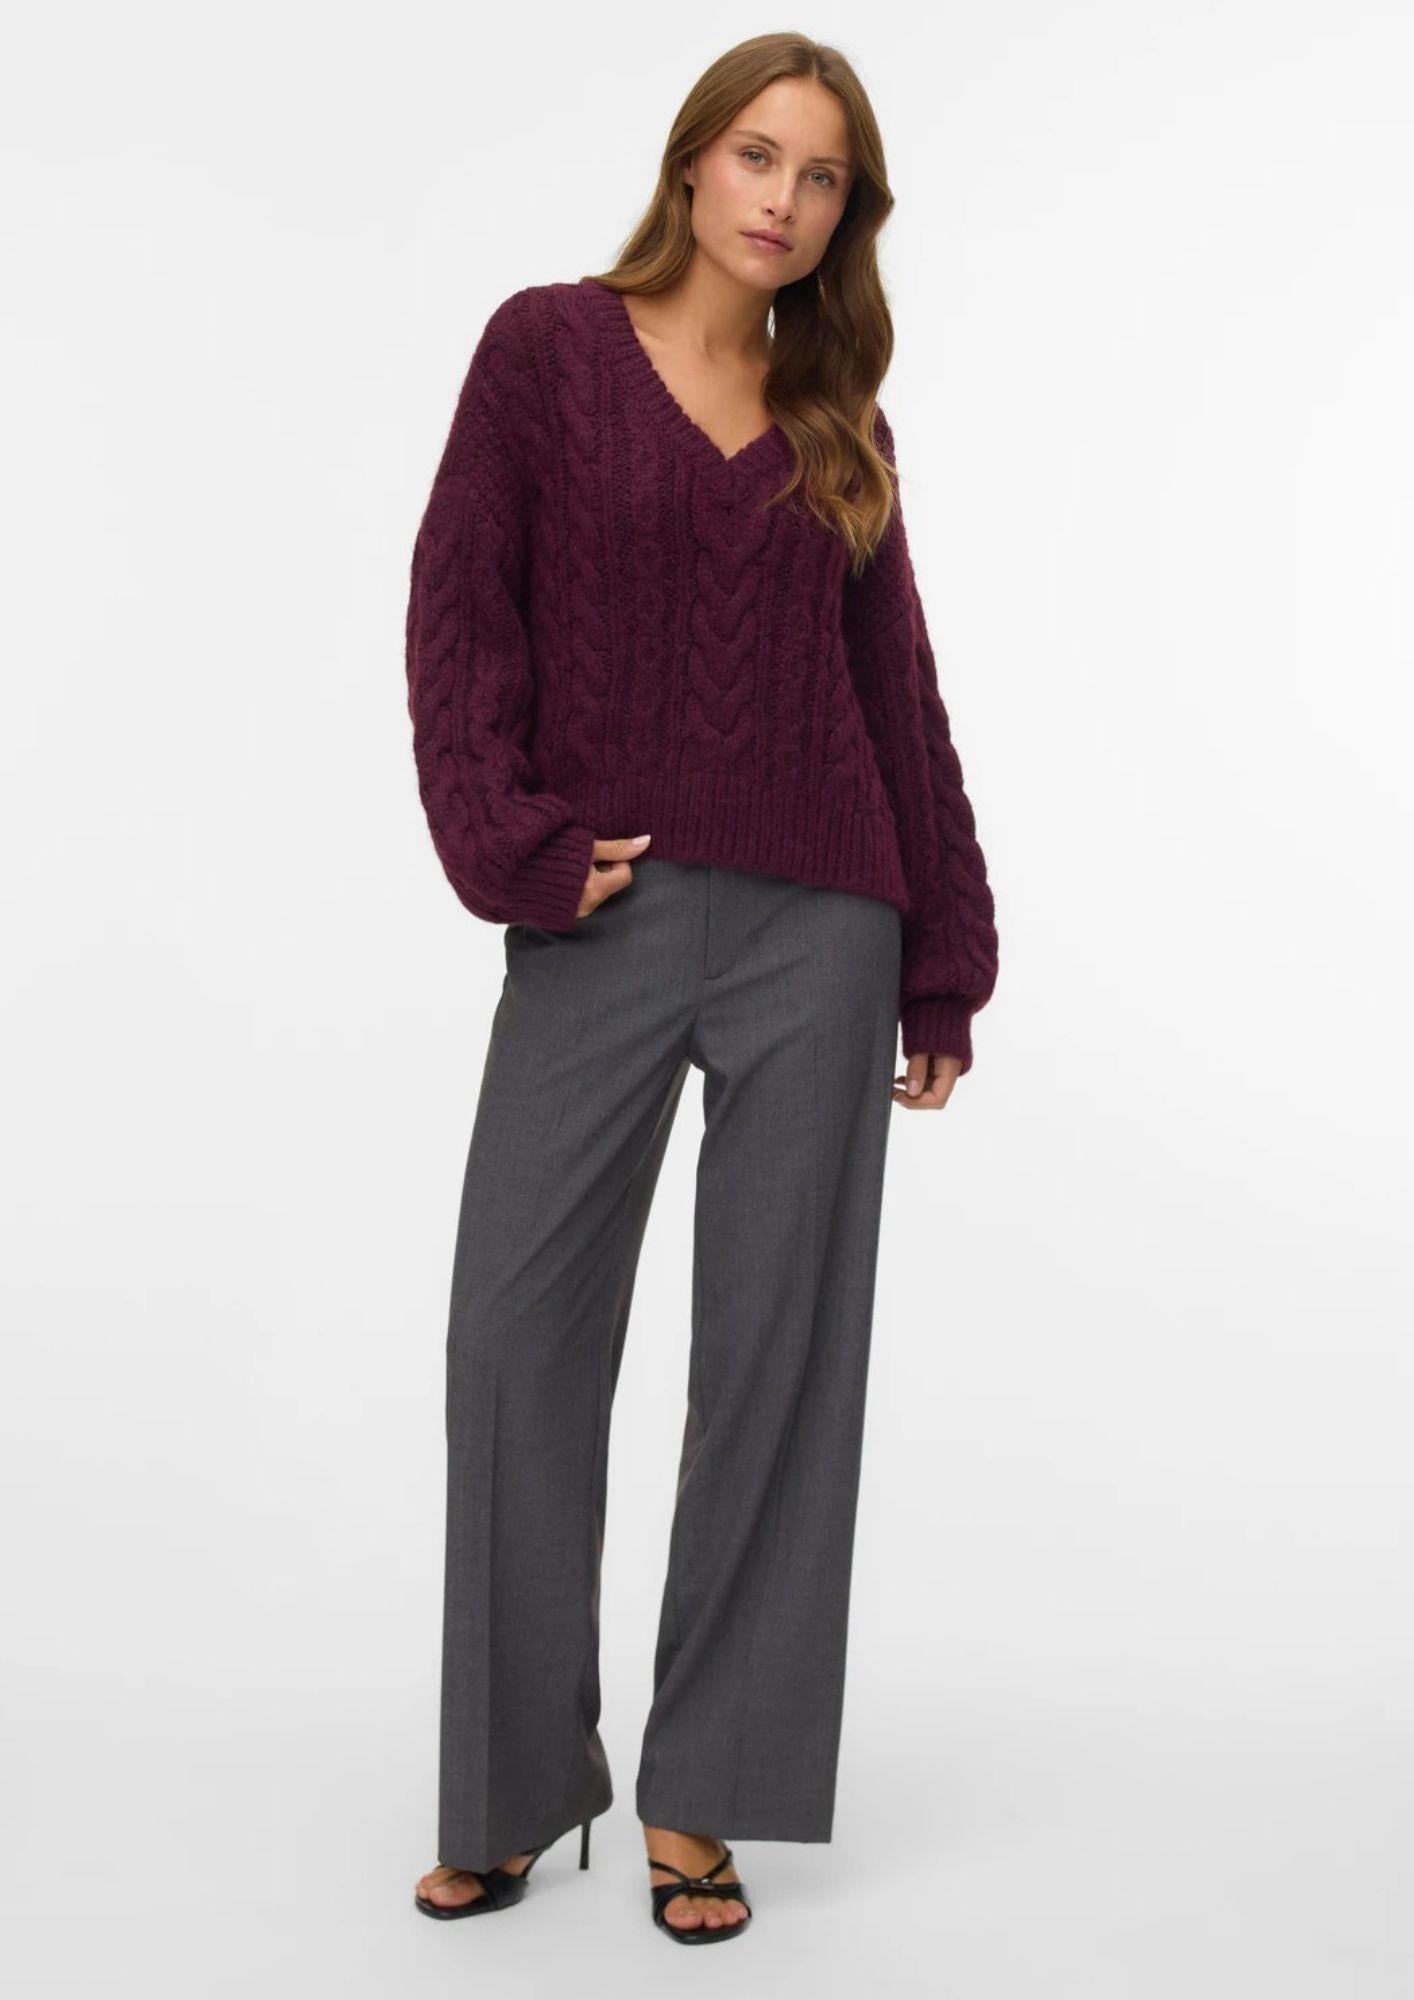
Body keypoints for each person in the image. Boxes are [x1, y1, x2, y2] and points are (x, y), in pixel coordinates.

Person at [403, 31, 999, 1946]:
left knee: (774, 1361)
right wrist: (509, 842)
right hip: (606, 913)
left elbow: (894, 695)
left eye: (821, 178)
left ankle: (705, 1795)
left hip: (823, 922)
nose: (782, 200)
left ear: (846, 216)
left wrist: (942, 960)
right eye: (758, 155)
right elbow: (458, 610)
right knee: (513, 1341)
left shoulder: (839, 421)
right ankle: (509, 1788)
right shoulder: (546, 351)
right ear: (689, 163)